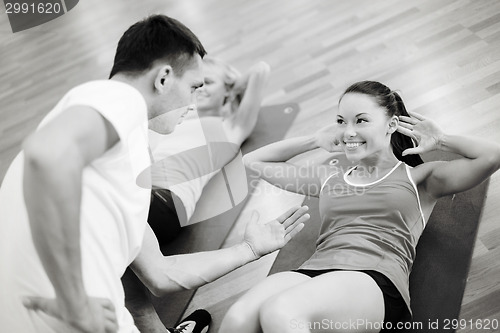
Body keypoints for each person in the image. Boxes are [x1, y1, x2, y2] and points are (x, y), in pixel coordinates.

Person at [0, 14, 309, 333]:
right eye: (193, 87)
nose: (194, 102)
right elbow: (46, 155)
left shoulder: (121, 158)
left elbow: (161, 274)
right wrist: (74, 302)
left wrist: (249, 249)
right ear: (162, 79)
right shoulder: (117, 99)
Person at [218, 80, 500, 333]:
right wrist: (315, 140)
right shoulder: (329, 177)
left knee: (281, 313)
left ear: (391, 124)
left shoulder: (420, 179)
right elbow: (253, 162)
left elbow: (492, 156)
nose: (348, 132)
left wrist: (441, 140)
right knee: (237, 320)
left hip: (373, 278)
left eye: (361, 121)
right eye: (341, 121)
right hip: (312, 271)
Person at [147, 57, 270, 242]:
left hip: (166, 201)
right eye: (196, 85)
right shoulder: (173, 117)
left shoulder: (229, 128)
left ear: (228, 91)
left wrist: (231, 88)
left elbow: (261, 70)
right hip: (139, 189)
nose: (201, 89)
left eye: (209, 83)